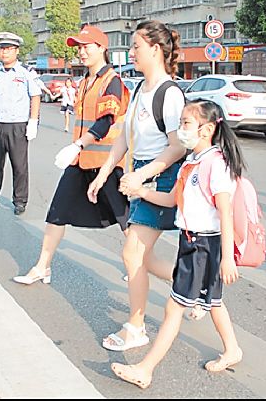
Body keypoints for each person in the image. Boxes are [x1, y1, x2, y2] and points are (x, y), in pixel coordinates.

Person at [111, 99, 245, 389]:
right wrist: (141, 191)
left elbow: (226, 211)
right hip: (191, 241)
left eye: (186, 123)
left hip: (205, 245)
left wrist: (227, 258)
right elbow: (171, 200)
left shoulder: (215, 164)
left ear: (207, 129)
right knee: (214, 302)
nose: (181, 128)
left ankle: (145, 369)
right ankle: (232, 349)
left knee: (174, 309)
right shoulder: (191, 162)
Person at [88, 20, 186, 352]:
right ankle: (194, 287)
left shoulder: (168, 93)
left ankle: (136, 327)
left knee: (133, 254)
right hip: (140, 173)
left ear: (156, 50)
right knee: (141, 256)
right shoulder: (140, 90)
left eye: (136, 47)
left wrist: (143, 178)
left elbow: (177, 147)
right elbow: (125, 140)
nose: (131, 53)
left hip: (160, 176)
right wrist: (103, 175)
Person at [12, 25, 130, 285]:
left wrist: (78, 145)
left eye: (87, 46)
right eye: (79, 47)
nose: (82, 51)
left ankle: (138, 266)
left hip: (108, 164)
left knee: (127, 222)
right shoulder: (85, 81)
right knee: (57, 213)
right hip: (80, 162)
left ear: (102, 48)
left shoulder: (112, 81)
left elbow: (105, 121)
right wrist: (77, 149)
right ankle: (42, 266)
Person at [0, 32, 41, 216]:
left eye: (8, 49)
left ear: (16, 51)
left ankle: (20, 201)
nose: (4, 52)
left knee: (19, 166)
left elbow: (35, 96)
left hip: (18, 125)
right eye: (2, 48)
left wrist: (33, 122)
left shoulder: (26, 72)